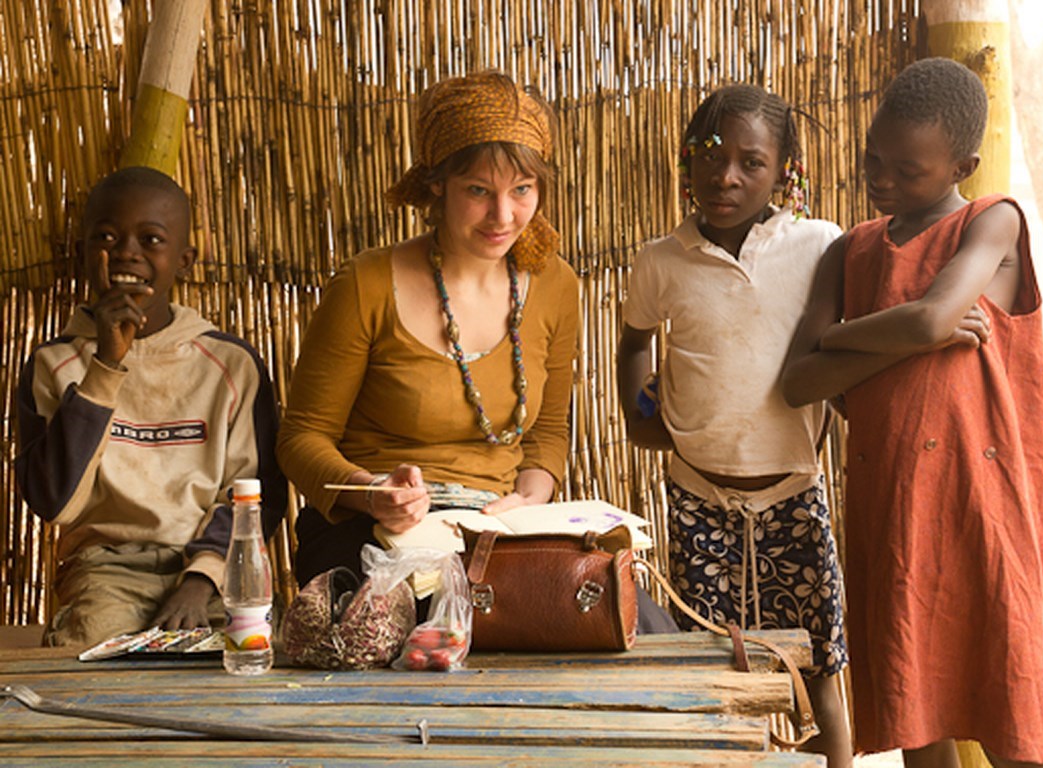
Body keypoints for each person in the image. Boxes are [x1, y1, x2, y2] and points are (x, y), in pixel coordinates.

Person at [782, 58, 1043, 767]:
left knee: (1010, 698)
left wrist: (846, 338)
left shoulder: (992, 221)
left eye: (906, 170)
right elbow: (799, 380)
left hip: (983, 500)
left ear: (962, 166)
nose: (880, 179)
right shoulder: (850, 251)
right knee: (919, 701)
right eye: (873, 158)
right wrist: (897, 336)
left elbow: (934, 316)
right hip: (898, 505)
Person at [616, 84, 852, 766]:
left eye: (751, 162)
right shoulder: (662, 260)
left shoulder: (819, 246)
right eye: (710, 156)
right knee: (713, 672)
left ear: (785, 171)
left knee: (819, 671)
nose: (726, 176)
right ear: (686, 160)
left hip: (793, 496)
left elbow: (847, 343)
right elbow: (634, 345)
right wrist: (642, 420)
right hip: (698, 500)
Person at [276, 71, 584, 587]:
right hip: (370, 532)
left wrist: (531, 498)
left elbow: (547, 432)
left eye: (522, 190)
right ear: (437, 184)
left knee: (626, 615)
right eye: (479, 190)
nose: (502, 215)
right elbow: (301, 437)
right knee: (428, 620)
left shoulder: (554, 284)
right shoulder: (367, 284)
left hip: (492, 532)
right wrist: (372, 492)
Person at [15, 166, 287, 647]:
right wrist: (105, 365)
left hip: (212, 569)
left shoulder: (229, 364)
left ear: (184, 260)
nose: (126, 251)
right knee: (92, 658)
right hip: (104, 570)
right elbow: (55, 501)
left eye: (151, 239)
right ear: (82, 251)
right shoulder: (54, 364)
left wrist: (199, 581)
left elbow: (255, 495)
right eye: (106, 236)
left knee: (242, 656)